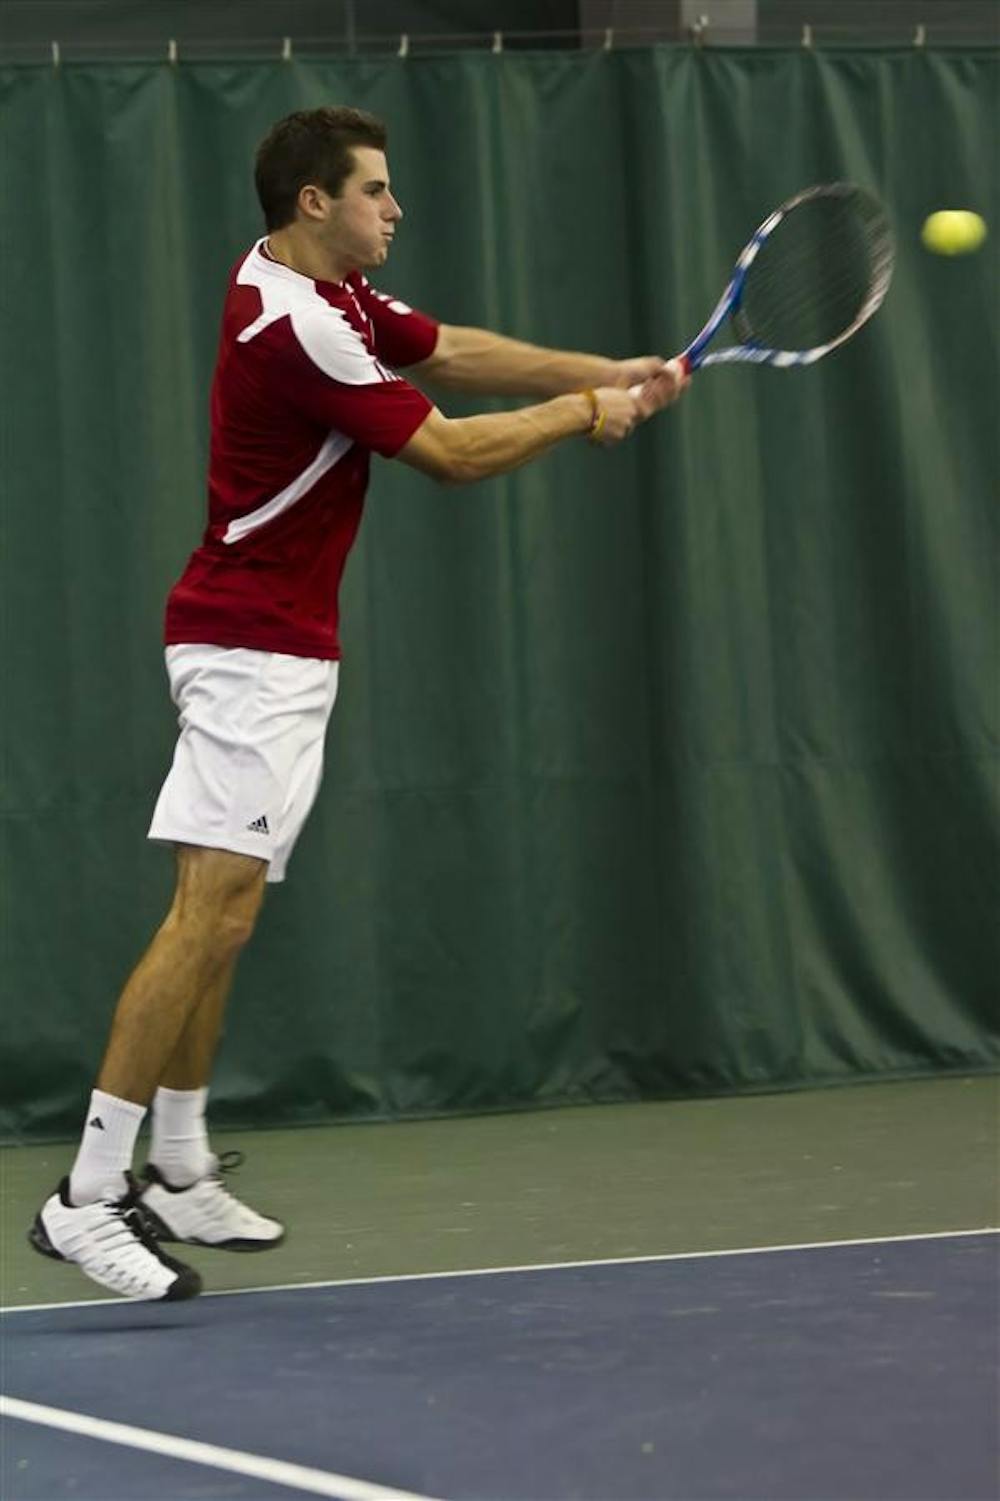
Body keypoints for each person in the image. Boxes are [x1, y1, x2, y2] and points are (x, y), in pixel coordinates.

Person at [30, 106, 688, 1301]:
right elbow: (452, 452)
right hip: (245, 649)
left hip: (283, 650)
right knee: (204, 915)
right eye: (376, 192)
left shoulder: (326, 292)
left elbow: (456, 350)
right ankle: (84, 1196)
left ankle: (175, 1164)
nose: (396, 209)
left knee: (224, 918)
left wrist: (605, 369)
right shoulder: (297, 325)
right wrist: (585, 416)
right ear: (313, 203)